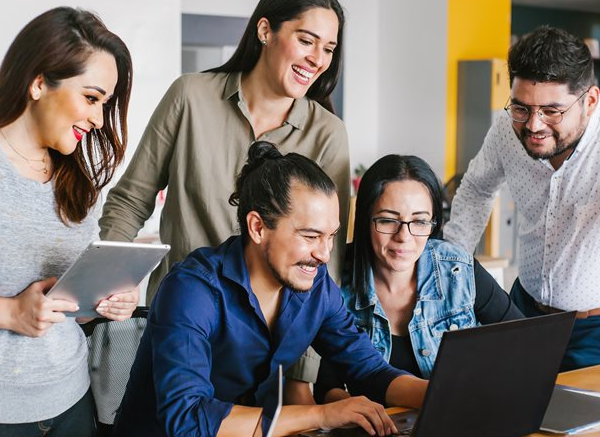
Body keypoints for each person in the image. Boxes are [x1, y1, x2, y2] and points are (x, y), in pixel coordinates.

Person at [112, 142, 428, 437]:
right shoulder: (193, 290)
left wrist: (441, 393)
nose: (324, 254)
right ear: (258, 227)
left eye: (330, 236)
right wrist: (321, 415)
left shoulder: (314, 286)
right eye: (310, 236)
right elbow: (187, 419)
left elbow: (369, 369)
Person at [98, 0, 350, 306]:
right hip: (179, 313)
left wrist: (306, 352)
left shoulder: (328, 133)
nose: (317, 60)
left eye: (328, 49)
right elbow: (131, 200)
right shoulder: (190, 97)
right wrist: (108, 280)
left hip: (269, 333)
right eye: (306, 41)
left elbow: (326, 259)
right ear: (265, 30)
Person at [0, 7, 136, 436]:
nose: (98, 119)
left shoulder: (75, 181)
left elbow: (68, 305)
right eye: (91, 98)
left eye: (105, 104)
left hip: (72, 399)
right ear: (39, 82)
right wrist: (9, 313)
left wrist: (106, 301)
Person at [444, 26, 600, 371]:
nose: (533, 125)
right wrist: (450, 270)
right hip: (521, 311)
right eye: (521, 108)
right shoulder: (505, 130)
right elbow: (476, 189)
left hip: (593, 331)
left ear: (589, 101)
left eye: (552, 111)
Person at [311, 154, 522, 403]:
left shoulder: (456, 269)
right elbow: (326, 387)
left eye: (420, 221)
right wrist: (354, 410)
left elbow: (522, 342)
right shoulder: (333, 281)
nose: (405, 237)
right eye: (389, 220)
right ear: (365, 219)